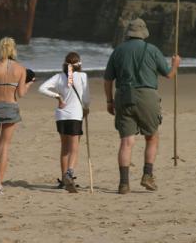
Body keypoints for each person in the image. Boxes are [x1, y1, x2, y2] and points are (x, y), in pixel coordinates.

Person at [104, 19, 180, 194]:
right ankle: (147, 175)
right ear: (143, 33)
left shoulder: (118, 51)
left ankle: (123, 184)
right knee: (152, 136)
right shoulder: (152, 50)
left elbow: (108, 80)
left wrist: (109, 101)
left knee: (126, 141)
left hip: (123, 96)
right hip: (147, 96)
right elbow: (168, 74)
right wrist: (175, 64)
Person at [0, 37, 34, 195]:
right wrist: (30, 83)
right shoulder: (21, 68)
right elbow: (21, 94)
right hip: (11, 107)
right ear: (13, 49)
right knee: (4, 147)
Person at [38, 52, 90, 193]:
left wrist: (58, 96)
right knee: (74, 148)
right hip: (75, 115)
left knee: (64, 148)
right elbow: (86, 98)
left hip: (61, 115)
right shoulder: (83, 76)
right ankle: (69, 174)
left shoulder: (58, 77)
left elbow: (41, 88)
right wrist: (86, 108)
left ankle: (63, 179)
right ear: (79, 63)